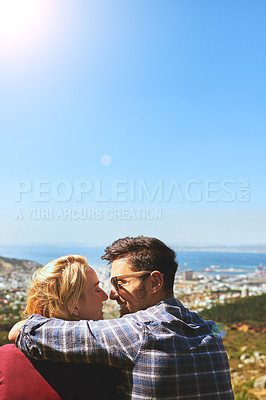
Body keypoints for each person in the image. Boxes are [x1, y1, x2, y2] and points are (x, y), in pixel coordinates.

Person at [10, 237, 234, 400]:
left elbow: (27, 333)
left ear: (155, 282)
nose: (112, 294)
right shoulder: (209, 331)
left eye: (120, 283)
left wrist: (23, 324)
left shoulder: (139, 332)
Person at [1, 255, 123, 400]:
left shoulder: (6, 358)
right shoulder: (105, 367)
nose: (105, 296)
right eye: (97, 289)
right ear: (74, 306)